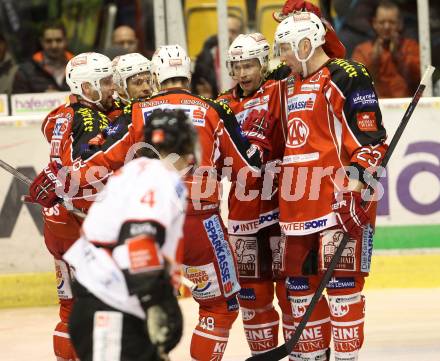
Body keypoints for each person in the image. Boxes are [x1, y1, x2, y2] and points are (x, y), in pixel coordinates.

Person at [28, 43, 269, 360]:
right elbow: (250, 172)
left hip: (98, 286)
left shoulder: (133, 116)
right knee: (219, 306)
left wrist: (60, 179)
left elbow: (95, 157)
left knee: (126, 326)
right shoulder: (213, 110)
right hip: (199, 225)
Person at [274, 11, 387, 360]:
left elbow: (372, 142)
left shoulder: (345, 75)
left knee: (342, 291)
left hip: (336, 206)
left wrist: (354, 192)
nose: (283, 57)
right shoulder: (288, 82)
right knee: (300, 292)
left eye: (288, 49)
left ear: (307, 44)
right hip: (295, 208)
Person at [64, 109, 196, 361]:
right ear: (186, 144)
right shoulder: (160, 177)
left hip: (106, 306)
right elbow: (138, 243)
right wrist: (157, 303)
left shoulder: (136, 170)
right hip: (110, 313)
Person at [26, 51, 115, 361]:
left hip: (56, 221)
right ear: (87, 87)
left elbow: (48, 128)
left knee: (69, 306)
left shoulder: (63, 113)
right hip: (81, 222)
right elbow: (85, 167)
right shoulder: (93, 119)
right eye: (104, 82)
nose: (112, 88)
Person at [217, 33, 293, 355]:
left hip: (282, 209)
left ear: (263, 63)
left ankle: (304, 353)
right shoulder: (222, 104)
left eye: (249, 65)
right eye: (237, 66)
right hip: (244, 213)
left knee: (293, 292)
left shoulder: (280, 88)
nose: (243, 73)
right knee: (253, 297)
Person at [351, 0, 420, 98]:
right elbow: (356, 82)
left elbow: (421, 78)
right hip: (376, 107)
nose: (387, 27)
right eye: (382, 22)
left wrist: (399, 57)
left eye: (391, 22)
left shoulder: (410, 46)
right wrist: (373, 61)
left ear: (400, 24)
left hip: (407, 106)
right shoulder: (362, 50)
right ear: (374, 23)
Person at [191, 13, 245, 98]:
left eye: (233, 31)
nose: (229, 36)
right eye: (225, 31)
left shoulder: (248, 59)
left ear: (241, 34)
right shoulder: (205, 59)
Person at [12, 21, 73, 93]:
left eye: (58, 40)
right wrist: (43, 98)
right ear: (41, 42)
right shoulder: (25, 72)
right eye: (48, 41)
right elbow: (18, 101)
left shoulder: (80, 67)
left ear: (66, 41)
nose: (54, 46)